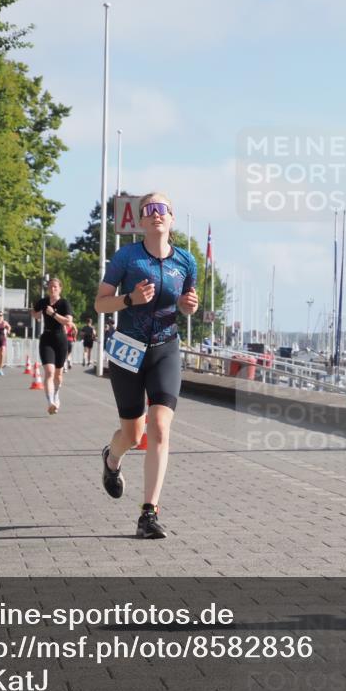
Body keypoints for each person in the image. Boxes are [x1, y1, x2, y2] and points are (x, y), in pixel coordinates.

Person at [94, 192, 198, 539]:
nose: (156, 214)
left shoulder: (186, 261)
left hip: (165, 349)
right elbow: (100, 304)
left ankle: (149, 513)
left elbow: (186, 304)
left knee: (160, 427)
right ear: (141, 221)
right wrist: (130, 299)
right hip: (128, 350)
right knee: (133, 435)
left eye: (162, 209)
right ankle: (111, 459)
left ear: (171, 218)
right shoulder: (126, 257)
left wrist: (189, 306)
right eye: (149, 210)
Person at [32, 278, 73, 414]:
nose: (52, 289)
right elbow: (34, 313)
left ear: (60, 289)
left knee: (58, 374)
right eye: (50, 286)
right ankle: (50, 402)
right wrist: (37, 314)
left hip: (60, 339)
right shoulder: (43, 302)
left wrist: (53, 314)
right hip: (47, 338)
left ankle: (56, 394)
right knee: (49, 372)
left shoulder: (64, 303)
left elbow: (68, 322)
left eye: (55, 287)